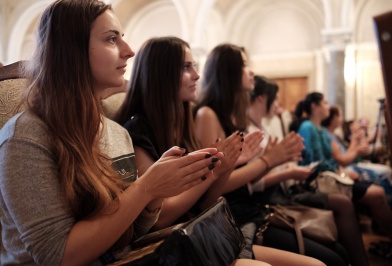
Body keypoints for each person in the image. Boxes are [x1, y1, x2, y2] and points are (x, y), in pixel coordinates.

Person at [0, 1, 223, 265]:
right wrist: (146, 187)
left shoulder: (115, 133)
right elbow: (58, 256)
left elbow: (129, 233)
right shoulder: (23, 138)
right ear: (71, 50)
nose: (129, 51)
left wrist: (156, 193)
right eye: (112, 39)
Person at [119, 36, 324, 266]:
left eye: (194, 66)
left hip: (203, 232)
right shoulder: (139, 130)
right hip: (177, 245)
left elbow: (206, 203)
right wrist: (225, 169)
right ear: (161, 74)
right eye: (186, 67)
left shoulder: (182, 123)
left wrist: (225, 166)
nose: (196, 75)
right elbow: (161, 217)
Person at [194, 43, 349, 266]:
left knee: (338, 253)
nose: (252, 72)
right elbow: (213, 187)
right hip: (233, 215)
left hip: (252, 207)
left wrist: (275, 159)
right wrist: (269, 160)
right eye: (245, 65)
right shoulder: (207, 114)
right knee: (332, 259)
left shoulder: (233, 117)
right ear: (227, 70)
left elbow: (244, 178)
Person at [248, 76, 370, 266]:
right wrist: (287, 168)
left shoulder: (263, 126)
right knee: (344, 211)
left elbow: (328, 158)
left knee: (341, 244)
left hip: (286, 189)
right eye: (325, 103)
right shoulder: (304, 127)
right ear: (262, 98)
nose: (279, 104)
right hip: (272, 199)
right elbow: (256, 179)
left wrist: (287, 163)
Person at [294, 92, 392, 237]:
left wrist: (341, 171)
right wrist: (342, 172)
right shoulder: (308, 127)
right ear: (315, 106)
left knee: (379, 189)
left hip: (331, 175)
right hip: (318, 181)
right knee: (377, 194)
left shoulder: (318, 128)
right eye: (325, 103)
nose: (328, 106)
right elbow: (315, 163)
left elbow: (331, 159)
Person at [322, 106, 392, 206]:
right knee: (383, 176)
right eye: (340, 115)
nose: (342, 118)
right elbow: (342, 160)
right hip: (345, 168)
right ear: (333, 118)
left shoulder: (333, 135)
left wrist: (355, 140)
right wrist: (357, 150)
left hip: (349, 165)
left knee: (386, 172)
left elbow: (346, 153)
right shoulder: (327, 135)